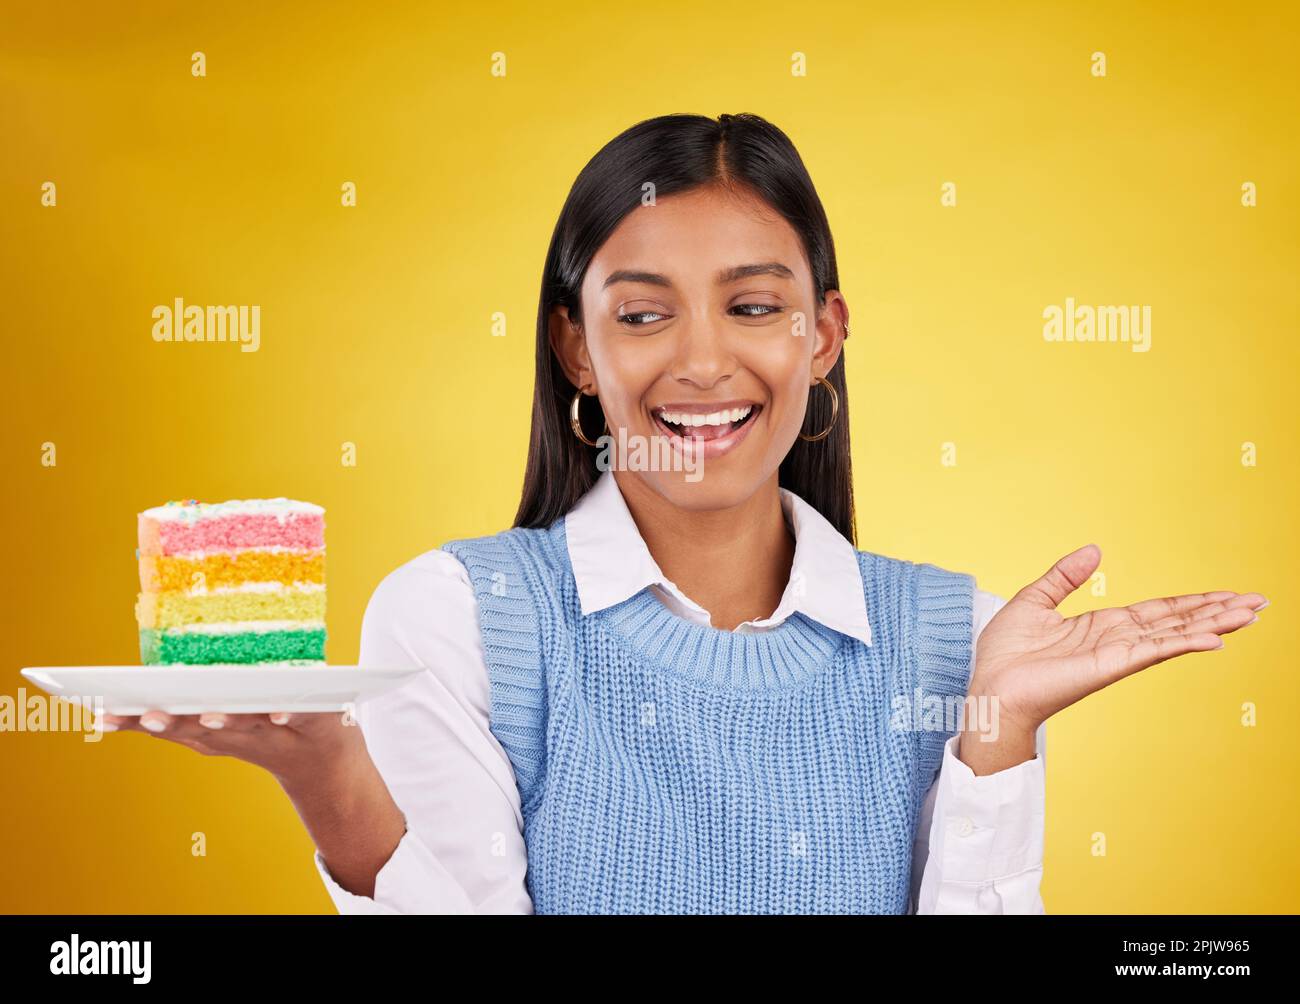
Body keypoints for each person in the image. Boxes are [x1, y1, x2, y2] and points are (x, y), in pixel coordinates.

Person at [106, 113, 1266, 914]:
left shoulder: (962, 641)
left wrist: (993, 732)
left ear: (822, 337)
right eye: (643, 313)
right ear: (575, 345)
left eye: (753, 305)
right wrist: (336, 791)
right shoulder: (459, 616)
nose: (704, 364)